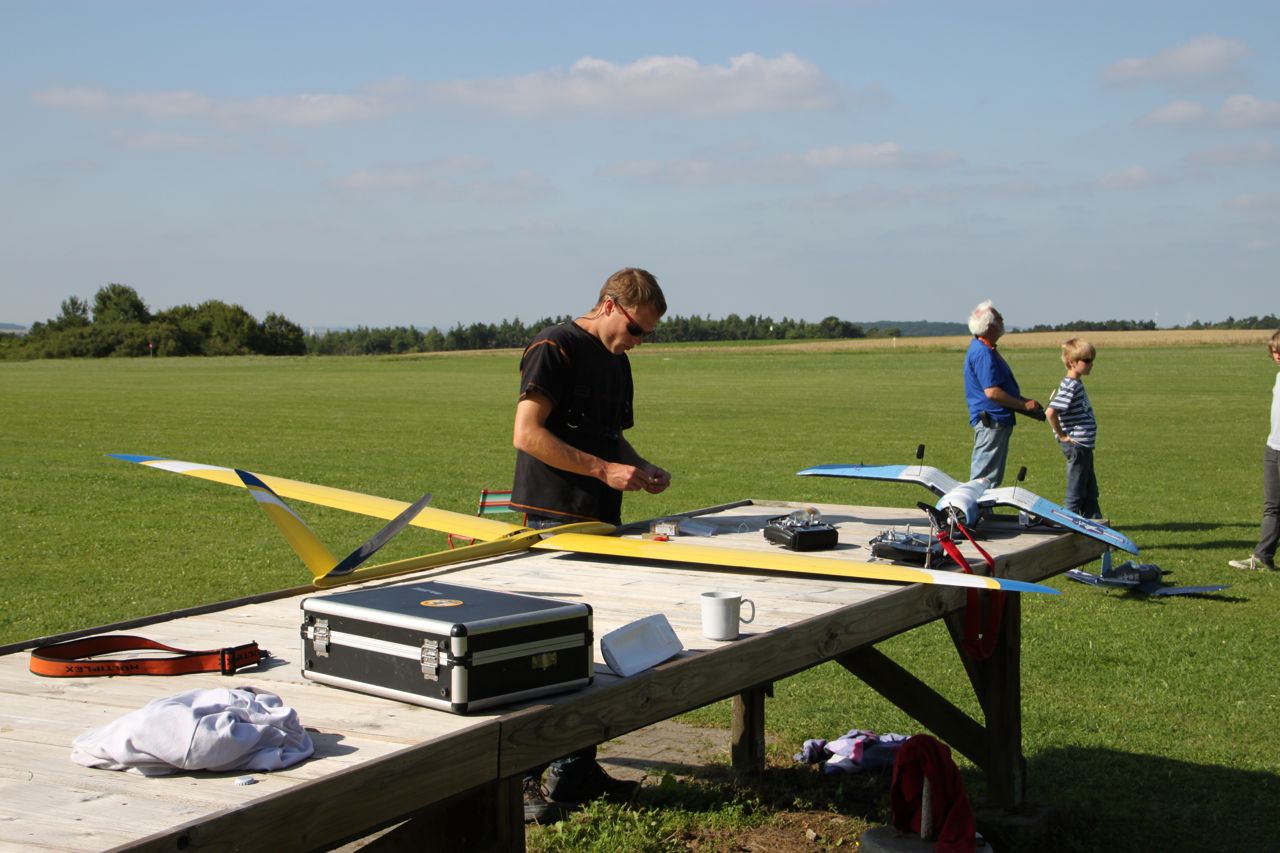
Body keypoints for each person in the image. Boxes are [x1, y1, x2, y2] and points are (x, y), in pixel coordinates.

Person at [510, 267, 672, 822]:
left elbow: (610, 436)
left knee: (591, 645)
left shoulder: (617, 362)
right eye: (636, 329)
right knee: (544, 648)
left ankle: (575, 766)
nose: (639, 341)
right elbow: (526, 433)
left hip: (602, 519)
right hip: (552, 519)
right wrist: (604, 470)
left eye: (647, 334)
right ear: (608, 305)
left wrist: (639, 466)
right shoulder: (554, 348)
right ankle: (522, 778)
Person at [963, 300, 1043, 487]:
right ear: (989, 326)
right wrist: (1023, 405)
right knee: (984, 480)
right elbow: (992, 392)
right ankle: (975, 505)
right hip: (991, 422)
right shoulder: (983, 353)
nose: (1003, 320)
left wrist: (1026, 405)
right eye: (999, 318)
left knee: (989, 478)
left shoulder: (983, 348)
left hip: (994, 420)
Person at [1229, 330, 1280, 571]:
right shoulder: (1279, 376)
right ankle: (1262, 557)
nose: (1277, 355)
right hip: (1273, 448)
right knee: (1272, 507)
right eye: (1274, 351)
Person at [1046, 338, 1102, 519]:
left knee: (1090, 490)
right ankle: (1067, 524)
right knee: (1076, 492)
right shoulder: (1070, 385)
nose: (1091, 364)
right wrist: (1062, 436)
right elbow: (1050, 412)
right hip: (1077, 445)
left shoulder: (1076, 383)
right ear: (1072, 362)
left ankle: (1096, 524)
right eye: (1087, 360)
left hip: (1084, 446)